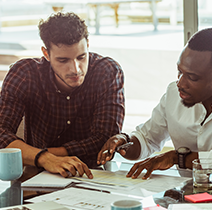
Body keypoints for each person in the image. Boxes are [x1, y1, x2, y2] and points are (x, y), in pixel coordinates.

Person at [97, 28, 212, 180]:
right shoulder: (173, 93)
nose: (181, 83)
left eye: (192, 77)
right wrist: (124, 143)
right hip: (186, 199)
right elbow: (148, 139)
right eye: (179, 71)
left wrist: (180, 158)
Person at [0, 12, 125, 178]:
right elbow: (1, 132)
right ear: (46, 54)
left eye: (81, 57)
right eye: (63, 60)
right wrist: (44, 159)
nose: (75, 69)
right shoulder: (25, 73)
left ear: (87, 45)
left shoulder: (107, 71)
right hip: (36, 174)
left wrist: (47, 156)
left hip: (92, 174)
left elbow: (106, 139)